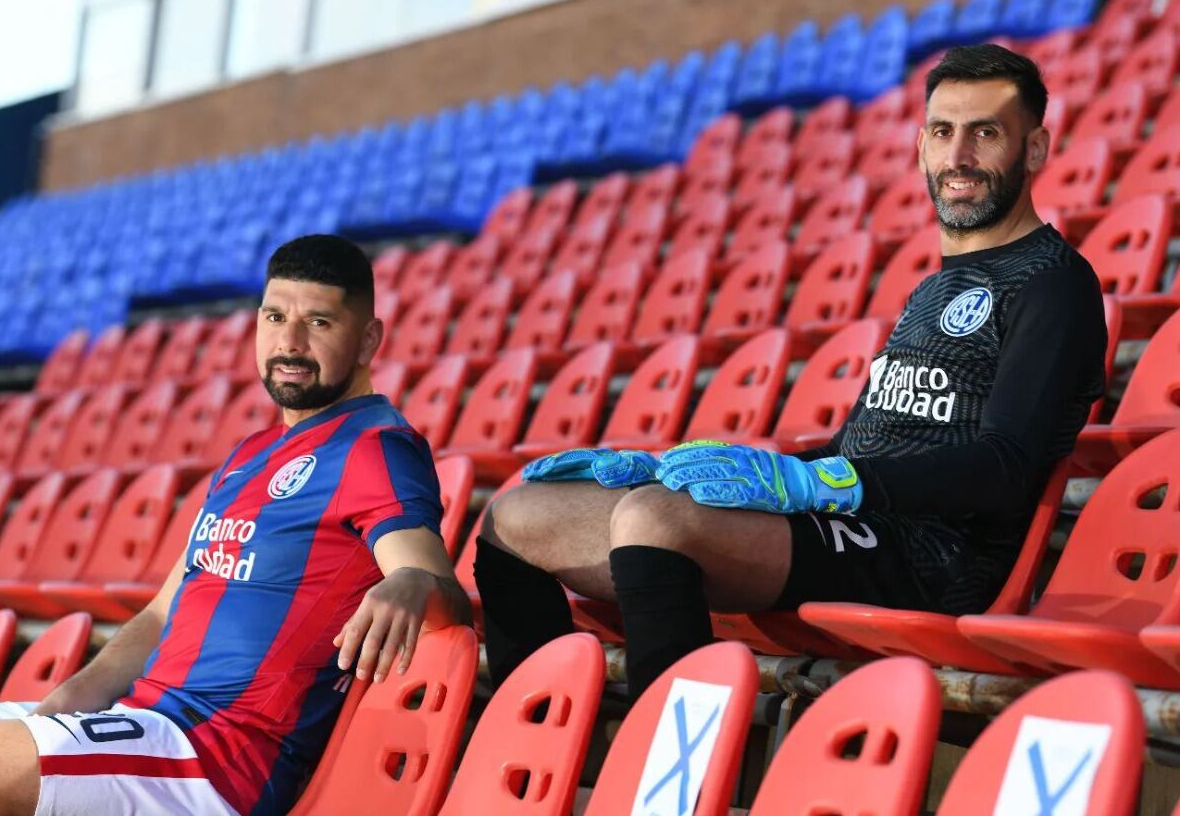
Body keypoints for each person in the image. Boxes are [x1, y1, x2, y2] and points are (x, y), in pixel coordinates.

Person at [474, 43, 1107, 699]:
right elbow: (858, 449)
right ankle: (534, 736)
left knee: (657, 520)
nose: (960, 157)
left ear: (1034, 150)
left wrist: (827, 482)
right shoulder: (930, 290)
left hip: (933, 555)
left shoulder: (1055, 285)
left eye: (986, 133)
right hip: (856, 522)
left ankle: (662, 769)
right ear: (921, 145)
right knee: (520, 514)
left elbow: (1004, 469)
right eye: (944, 132)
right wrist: (695, 469)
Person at [0, 234, 472, 816]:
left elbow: (441, 592)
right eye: (276, 317)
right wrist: (70, 698)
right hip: (141, 720)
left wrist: (414, 583)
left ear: (369, 338)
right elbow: (159, 613)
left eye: (319, 322)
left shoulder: (378, 447)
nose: (290, 342)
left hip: (216, 759)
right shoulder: (249, 453)